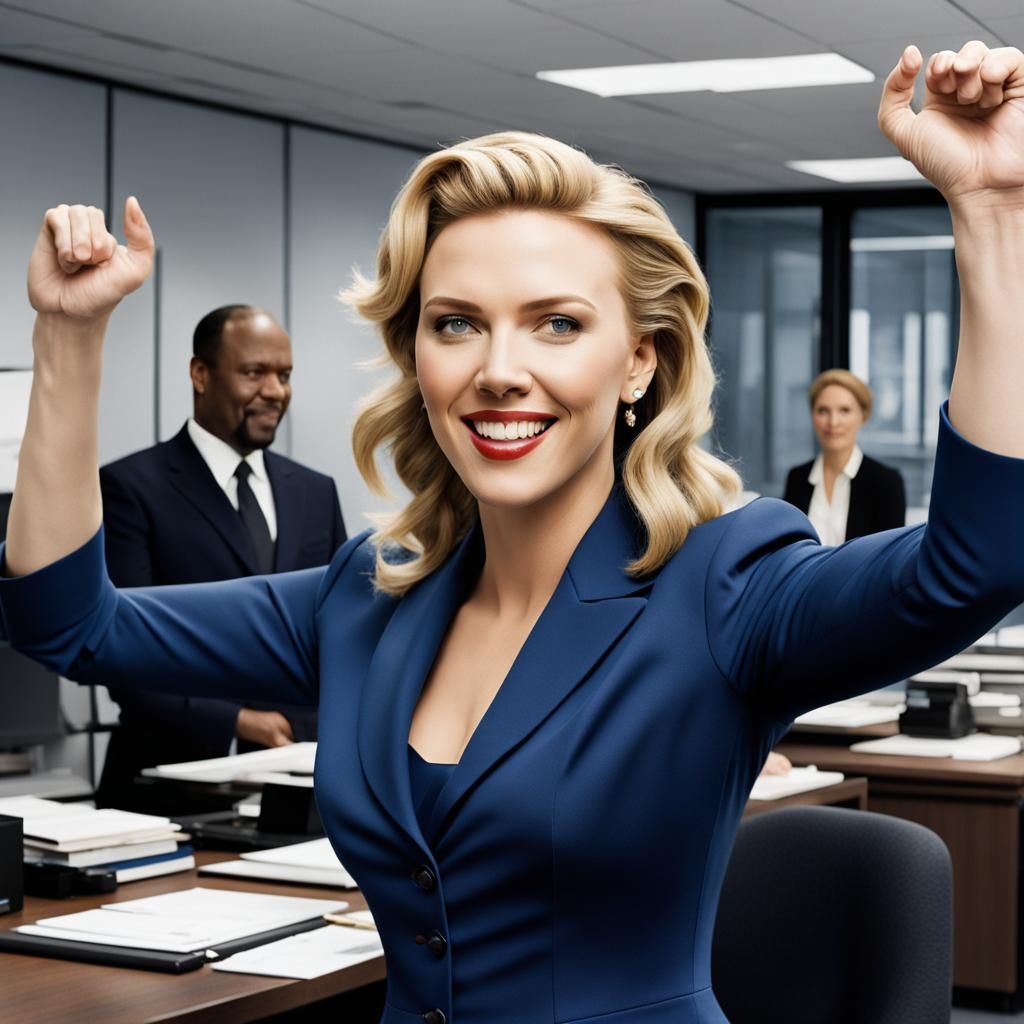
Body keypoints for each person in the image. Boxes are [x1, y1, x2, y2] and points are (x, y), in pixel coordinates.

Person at [2, 41, 1023, 1024]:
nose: (497, 369)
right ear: (417, 356)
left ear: (640, 361)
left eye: (557, 324)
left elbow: (976, 561)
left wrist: (988, 217)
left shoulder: (726, 582)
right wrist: (69, 337)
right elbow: (68, 622)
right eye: (456, 323)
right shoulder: (370, 593)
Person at [93, 305, 347, 813]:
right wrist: (239, 722)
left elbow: (342, 639)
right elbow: (121, 651)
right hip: (166, 793)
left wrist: (306, 729)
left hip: (298, 793)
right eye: (254, 373)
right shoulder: (130, 488)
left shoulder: (315, 493)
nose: (275, 391)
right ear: (200, 374)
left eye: (284, 375)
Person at [783, 369, 906, 544]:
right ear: (812, 415)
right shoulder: (797, 479)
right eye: (823, 411)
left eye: (844, 410)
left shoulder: (886, 483)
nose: (833, 422)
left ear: (863, 416)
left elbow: (890, 555)